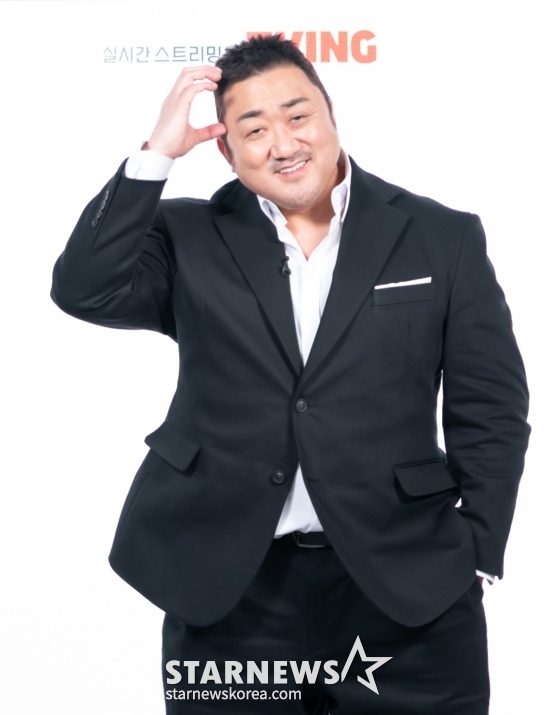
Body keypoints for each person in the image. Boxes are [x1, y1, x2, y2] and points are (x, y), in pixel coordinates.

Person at [50, 34, 531, 714]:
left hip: (407, 586)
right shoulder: (186, 235)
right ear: (226, 150)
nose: (283, 143)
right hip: (230, 591)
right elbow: (83, 289)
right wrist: (156, 153)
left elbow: (491, 406)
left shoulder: (440, 235)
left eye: (298, 116)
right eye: (254, 129)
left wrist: (477, 549)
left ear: (331, 115)